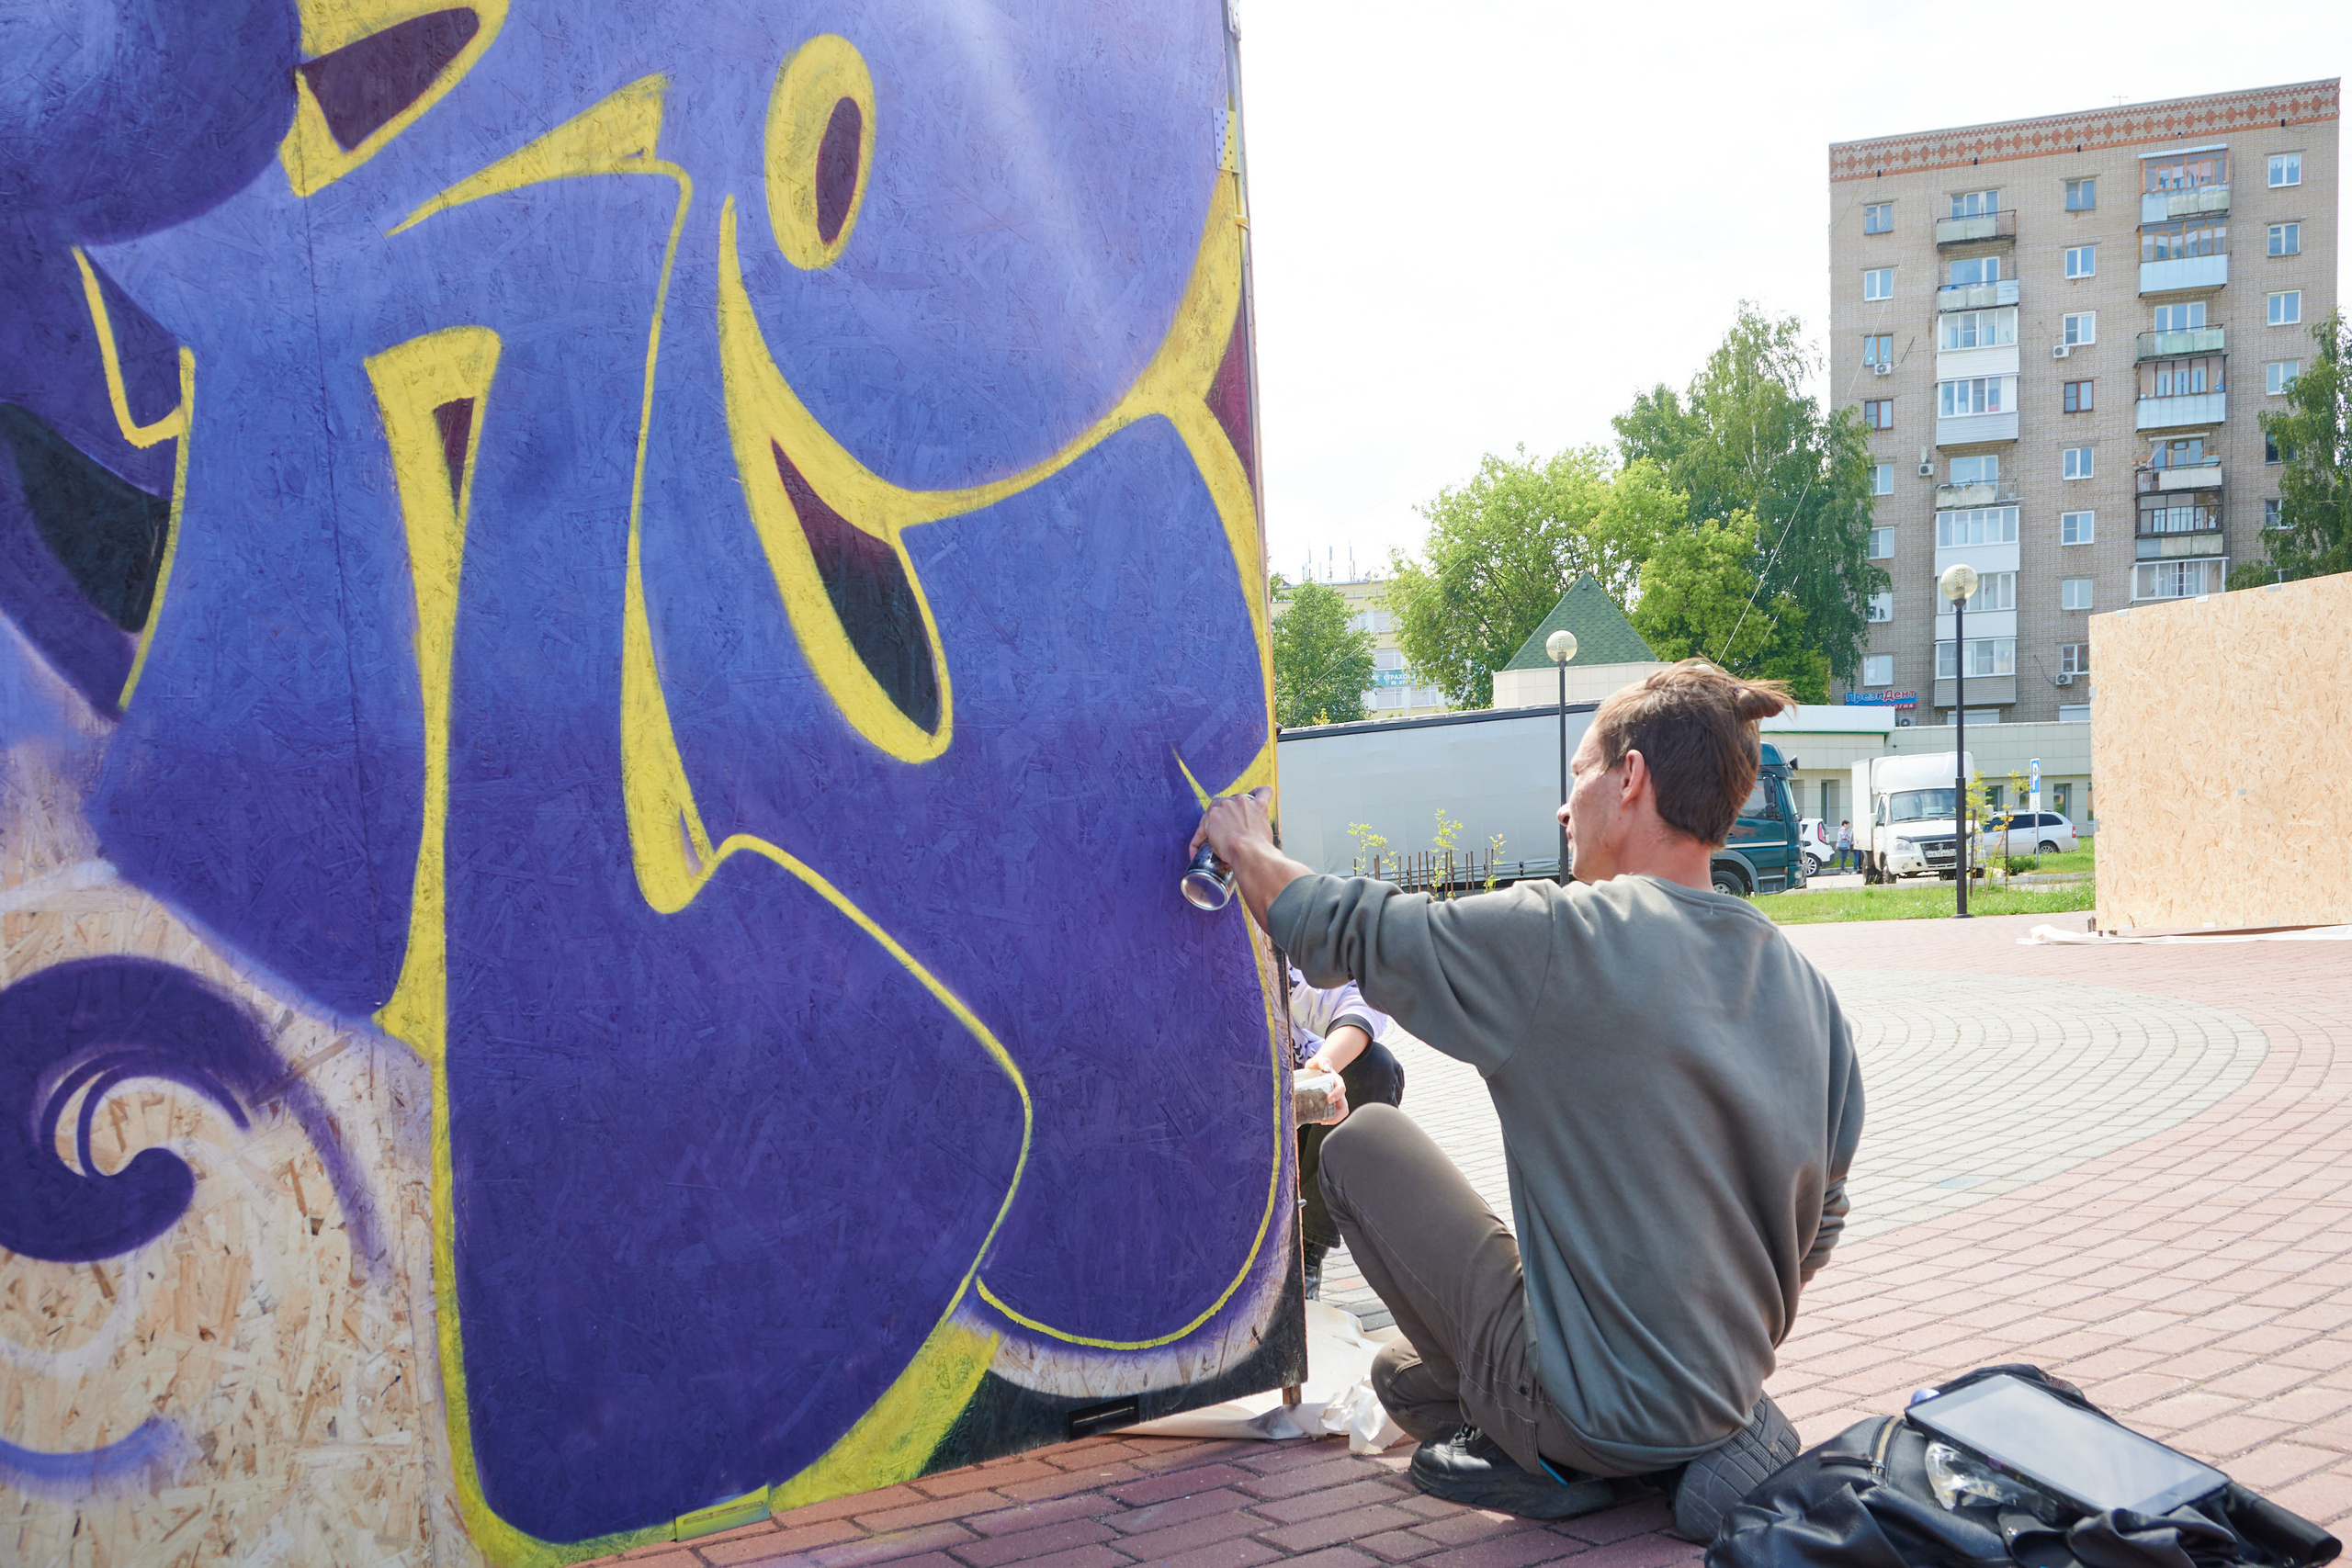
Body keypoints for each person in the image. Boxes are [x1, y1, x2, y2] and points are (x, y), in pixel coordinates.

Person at [1193, 660, 1863, 1539]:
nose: (1562, 803)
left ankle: (1563, 1459)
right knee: (1399, 1378)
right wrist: (1701, 1334)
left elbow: (1357, 928)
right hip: (1725, 1386)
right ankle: (1677, 1441)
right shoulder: (1808, 990)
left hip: (1585, 1406)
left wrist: (1245, 845)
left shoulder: (1565, 937)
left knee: (1362, 1144)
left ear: (1631, 779)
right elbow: (1823, 1222)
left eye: (1578, 771)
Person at [1284, 965, 1405, 1300]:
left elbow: (1359, 999)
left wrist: (1324, 1066)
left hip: (1283, 1112)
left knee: (1373, 1068)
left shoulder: (1261, 940)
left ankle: (1305, 1251)